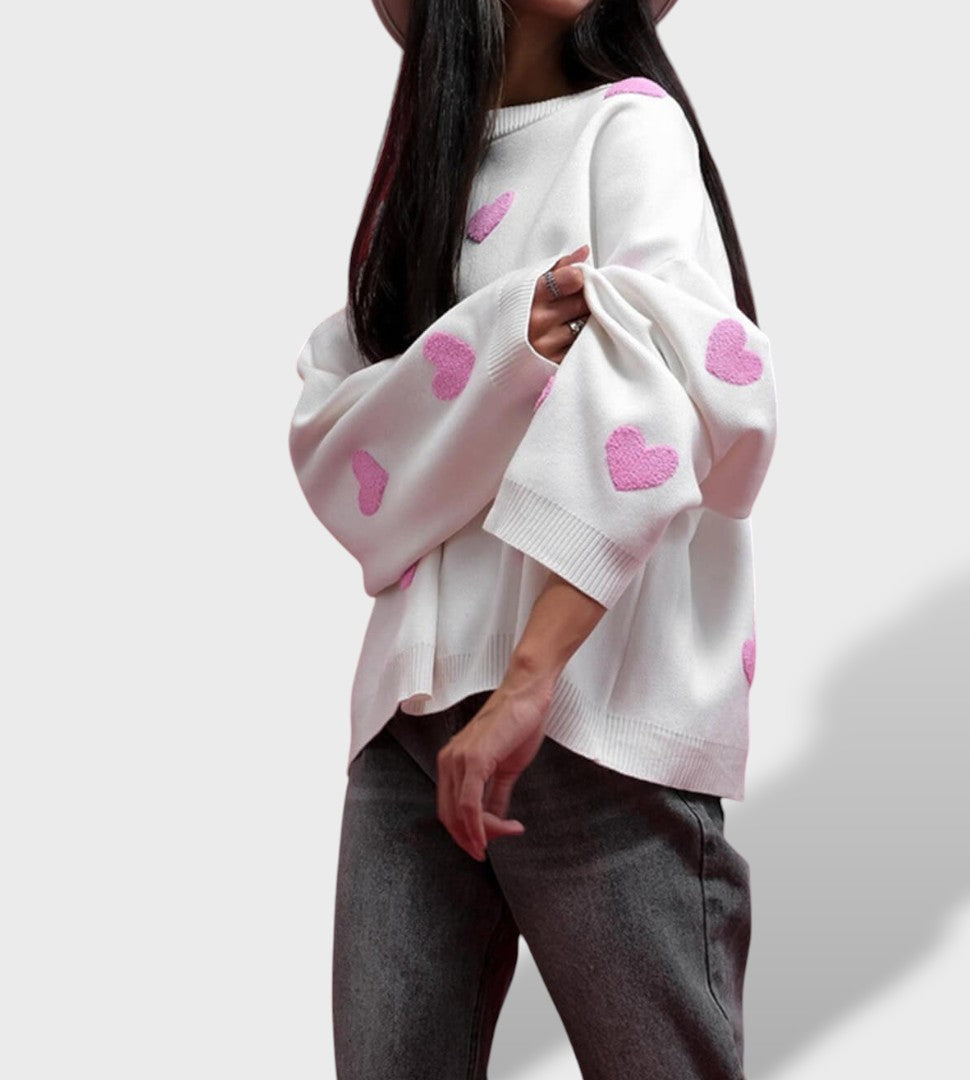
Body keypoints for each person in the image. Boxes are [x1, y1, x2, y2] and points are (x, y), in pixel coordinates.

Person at [287, 1, 779, 1076]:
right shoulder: (424, 190)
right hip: (412, 717)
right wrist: (502, 343)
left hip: (591, 715)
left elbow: (680, 392)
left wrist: (528, 681)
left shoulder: (629, 127)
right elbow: (334, 445)